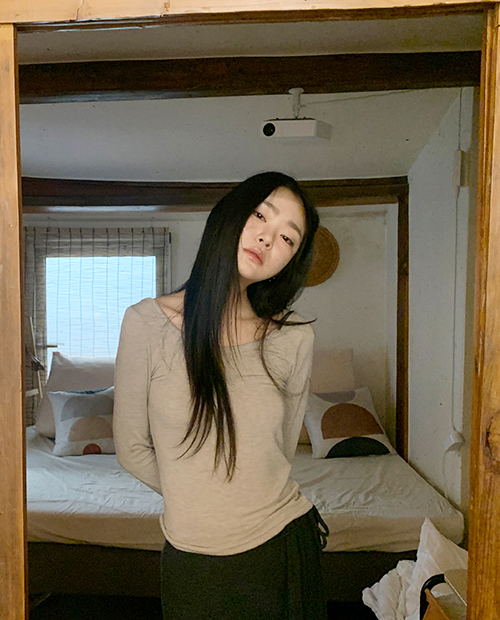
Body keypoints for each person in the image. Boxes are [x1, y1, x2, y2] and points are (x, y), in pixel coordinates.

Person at [113, 171, 328, 620]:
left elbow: (280, 450)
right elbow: (131, 448)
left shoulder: (293, 337)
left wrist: (229, 496)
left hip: (281, 544)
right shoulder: (145, 323)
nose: (268, 239)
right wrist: (200, 497)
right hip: (191, 555)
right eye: (261, 216)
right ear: (229, 215)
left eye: (288, 238)